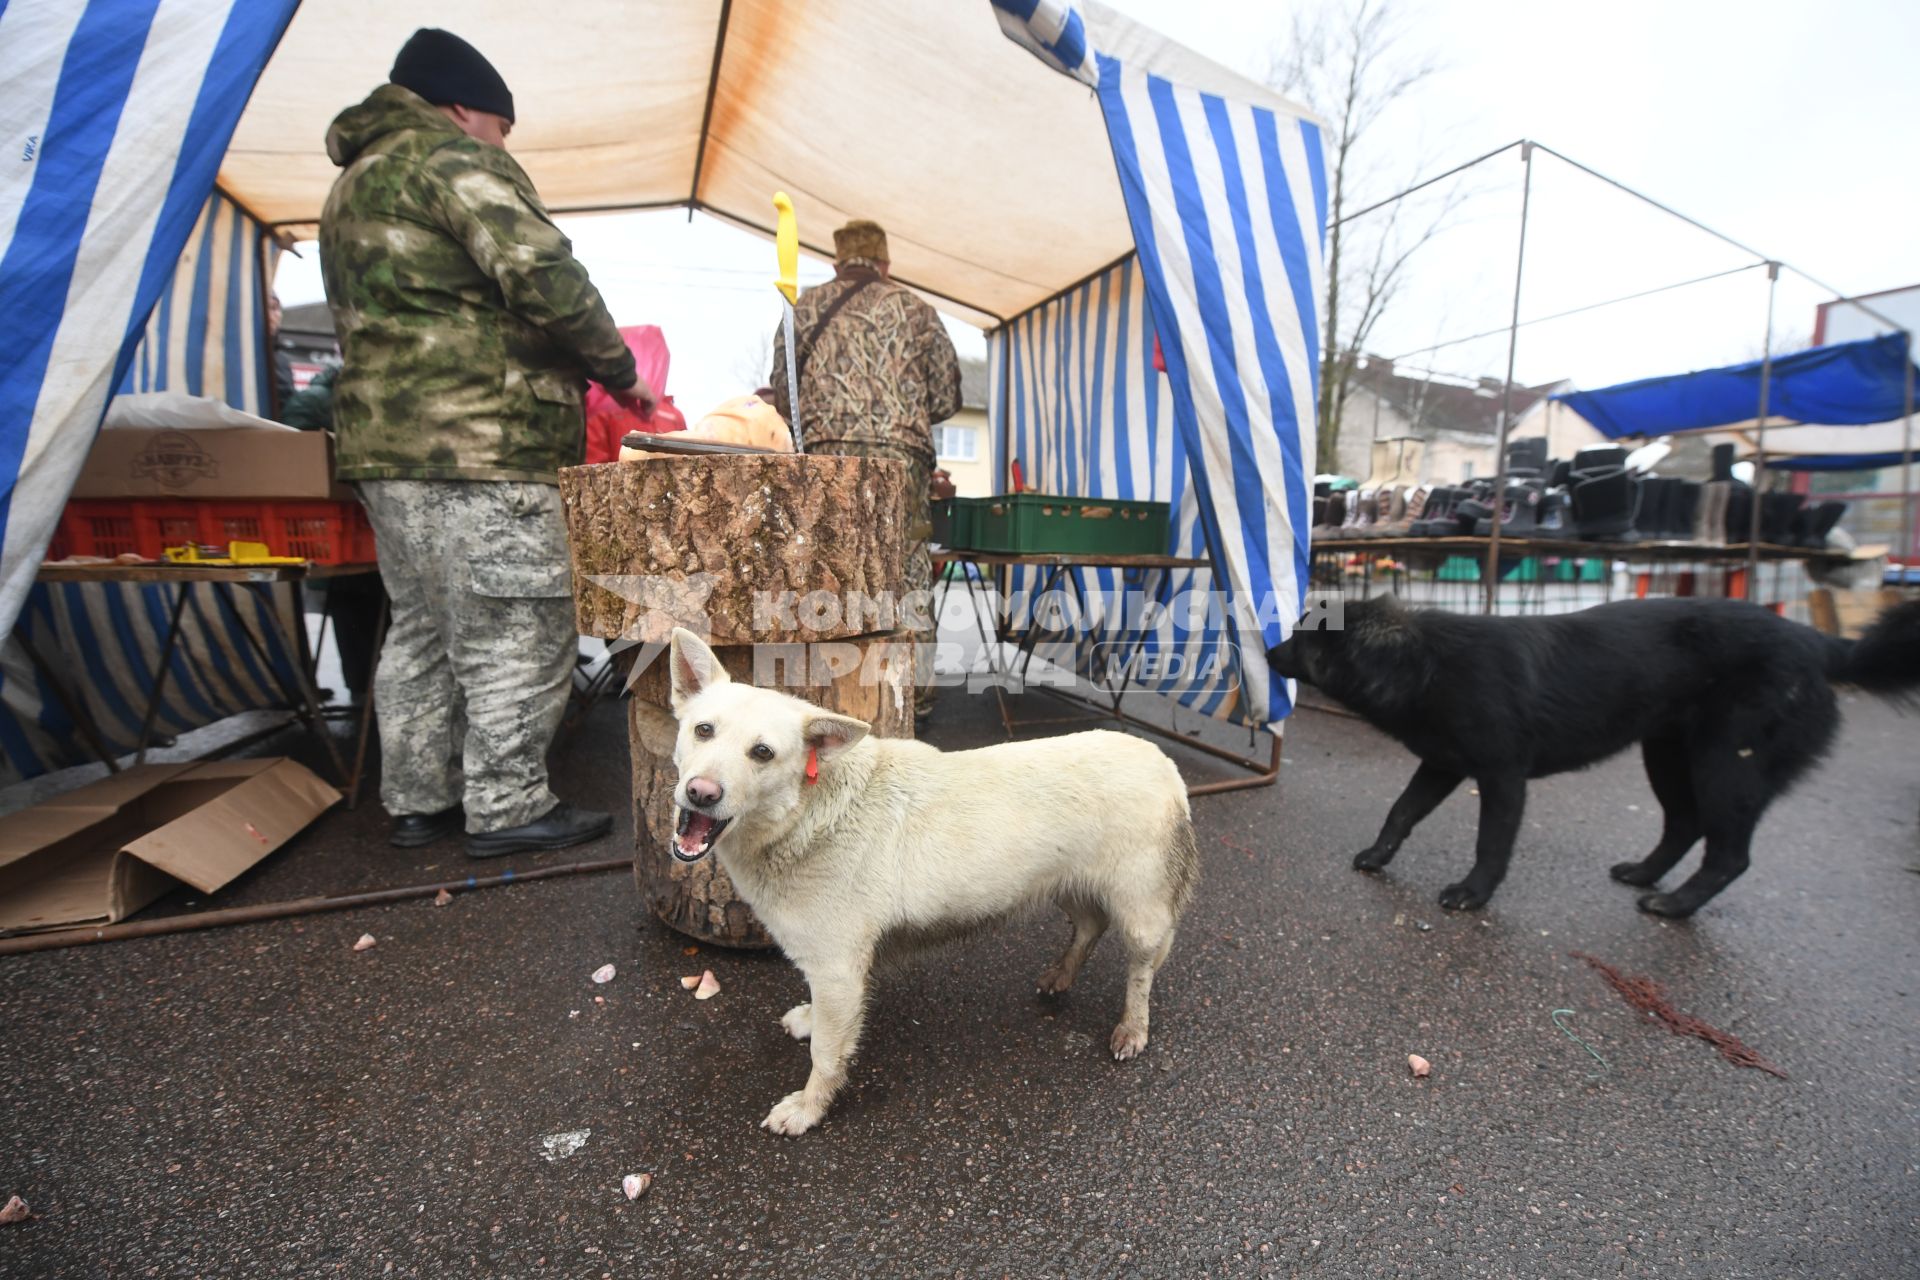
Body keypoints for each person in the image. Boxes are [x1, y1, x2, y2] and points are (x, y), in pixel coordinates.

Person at [319, 28, 654, 857]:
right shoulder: (451, 160)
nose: (506, 141)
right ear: (466, 107)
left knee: (424, 627)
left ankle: (418, 798)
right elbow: (546, 275)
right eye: (503, 125)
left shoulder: (352, 186)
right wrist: (621, 373)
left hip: (385, 449)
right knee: (516, 622)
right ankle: (507, 806)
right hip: (484, 441)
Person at [767, 220, 961, 724]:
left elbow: (782, 392)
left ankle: (825, 702)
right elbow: (946, 396)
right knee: (908, 569)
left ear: (836, 262)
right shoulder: (917, 309)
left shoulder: (803, 307)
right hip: (903, 457)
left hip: (827, 457)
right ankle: (912, 702)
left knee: (826, 569)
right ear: (886, 263)